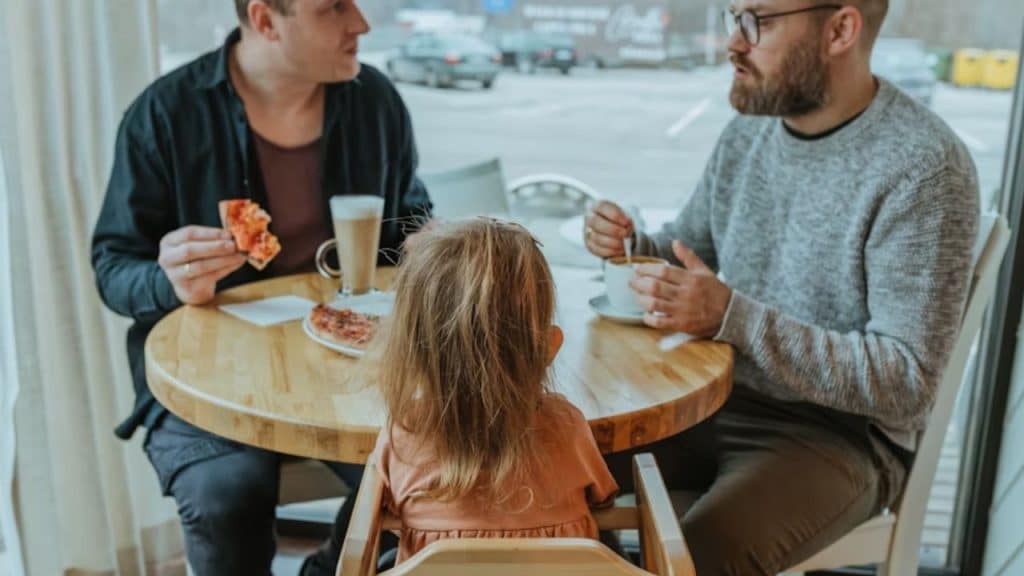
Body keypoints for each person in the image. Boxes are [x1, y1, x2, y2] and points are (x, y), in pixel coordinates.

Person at [586, 0, 979, 573]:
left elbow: (907, 381)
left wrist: (733, 317)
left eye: (758, 21)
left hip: (839, 437)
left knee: (696, 557)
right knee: (545, 471)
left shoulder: (924, 168)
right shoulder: (748, 134)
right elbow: (686, 248)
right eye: (733, 16)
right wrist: (628, 245)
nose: (732, 43)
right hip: (714, 398)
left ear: (841, 29)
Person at [90, 0, 431, 573]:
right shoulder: (166, 113)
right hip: (212, 379)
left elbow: (409, 220)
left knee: (426, 480)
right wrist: (169, 279)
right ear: (267, 20)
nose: (361, 24)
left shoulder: (376, 101)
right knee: (226, 499)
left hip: (356, 365)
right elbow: (113, 267)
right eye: (333, 9)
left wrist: (428, 244)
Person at [368, 218, 618, 564]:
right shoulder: (567, 426)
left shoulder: (405, 434)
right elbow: (602, 499)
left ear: (412, 349)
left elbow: (390, 509)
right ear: (550, 346)